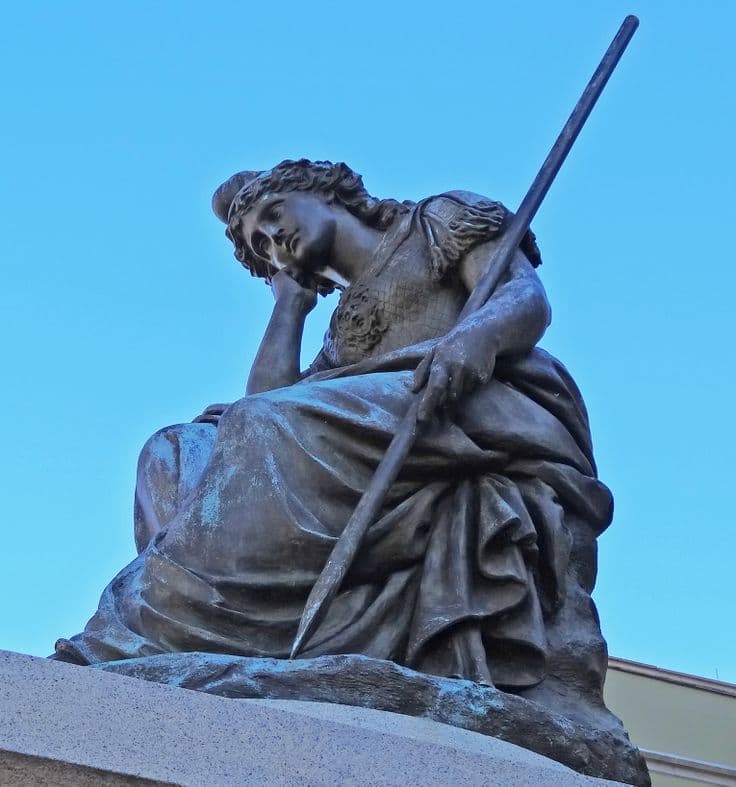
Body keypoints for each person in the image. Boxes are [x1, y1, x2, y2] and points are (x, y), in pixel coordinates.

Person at [55, 159, 612, 702]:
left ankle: (177, 610)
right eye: (260, 246)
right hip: (392, 422)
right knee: (175, 448)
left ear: (326, 192)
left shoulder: (437, 220)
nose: (273, 239)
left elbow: (525, 297)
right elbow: (267, 409)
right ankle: (193, 607)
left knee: (257, 423)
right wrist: (290, 306)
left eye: (275, 215)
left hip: (484, 402)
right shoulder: (341, 337)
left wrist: (477, 338)